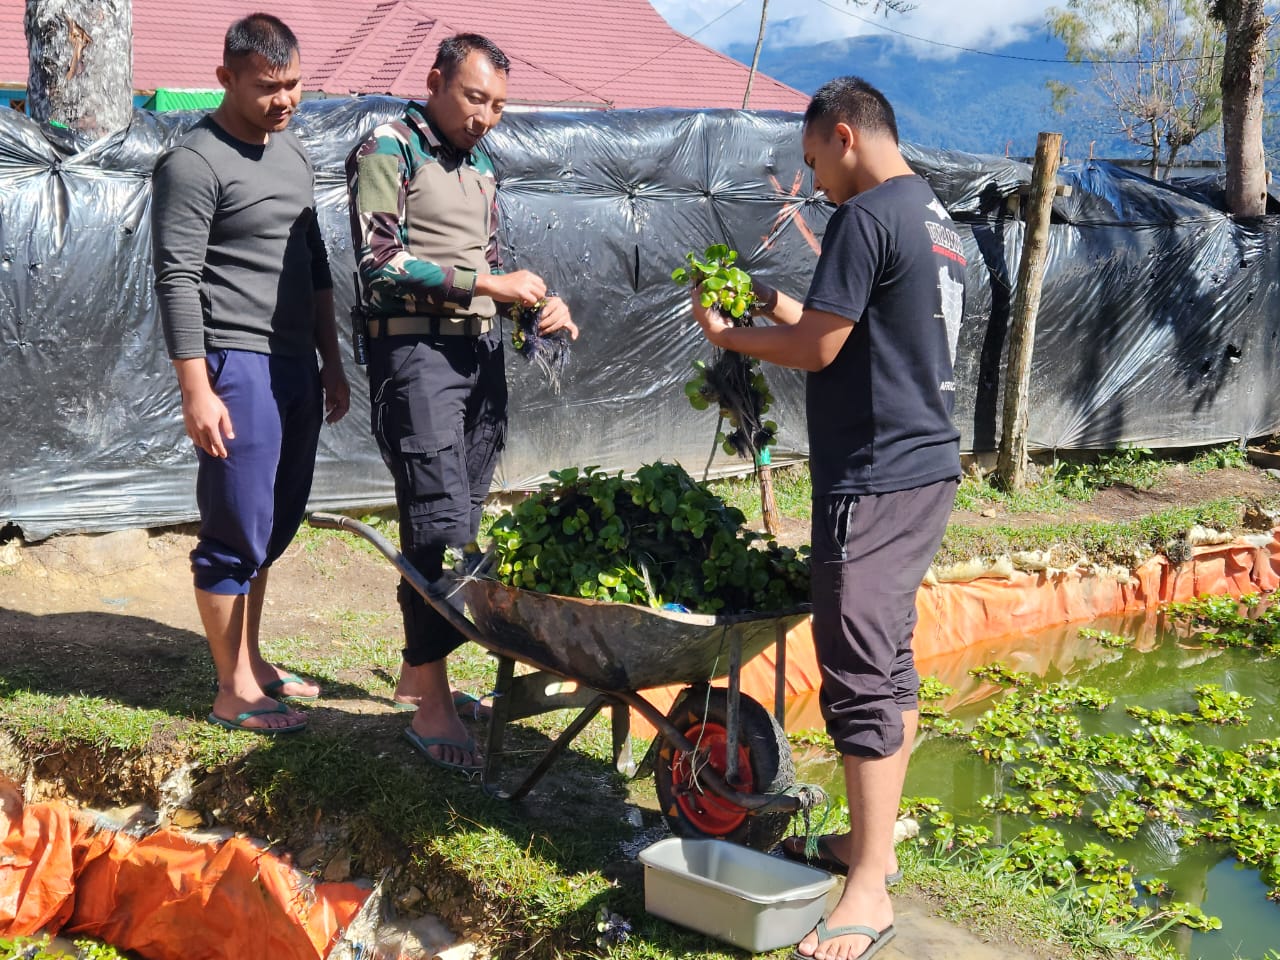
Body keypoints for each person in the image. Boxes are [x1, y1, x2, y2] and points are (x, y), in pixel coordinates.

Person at [690, 77, 965, 960]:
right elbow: (856, 328)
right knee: (887, 655)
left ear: (843, 136)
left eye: (815, 162)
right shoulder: (932, 215)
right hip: (926, 465)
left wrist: (731, 338)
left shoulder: (865, 215)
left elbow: (820, 349)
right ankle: (866, 840)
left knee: (857, 670)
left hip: (875, 476)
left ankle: (870, 885)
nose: (816, 184)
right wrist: (771, 302)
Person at [345, 33, 576, 773]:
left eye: (499, 106)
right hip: (415, 356)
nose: (486, 118)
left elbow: (491, 266)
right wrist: (489, 286)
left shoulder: (481, 165)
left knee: (462, 517)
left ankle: (422, 673)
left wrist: (536, 305)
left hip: (477, 358)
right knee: (438, 525)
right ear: (436, 80)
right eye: (476, 98)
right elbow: (379, 264)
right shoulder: (389, 146)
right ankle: (433, 704)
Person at [152, 13, 350, 735]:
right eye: (268, 87)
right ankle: (231, 689)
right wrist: (196, 388)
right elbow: (176, 279)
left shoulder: (292, 155)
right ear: (226, 77)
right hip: (236, 362)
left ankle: (253, 659)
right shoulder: (193, 163)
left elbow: (317, 266)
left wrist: (332, 359)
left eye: (294, 84)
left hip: (297, 362)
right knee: (235, 529)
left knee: (272, 522)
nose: (285, 99)